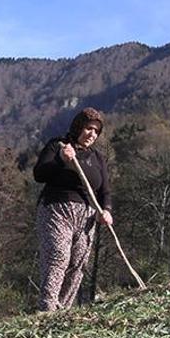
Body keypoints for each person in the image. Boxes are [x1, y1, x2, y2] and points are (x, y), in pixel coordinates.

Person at [33, 107, 113, 312]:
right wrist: (61, 158)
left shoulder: (98, 158)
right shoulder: (57, 146)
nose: (92, 134)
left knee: (78, 264)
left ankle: (63, 308)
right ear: (78, 127)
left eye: (96, 131)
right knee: (59, 255)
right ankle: (47, 308)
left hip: (86, 216)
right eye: (88, 128)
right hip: (57, 210)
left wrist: (106, 210)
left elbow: (104, 190)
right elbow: (40, 174)